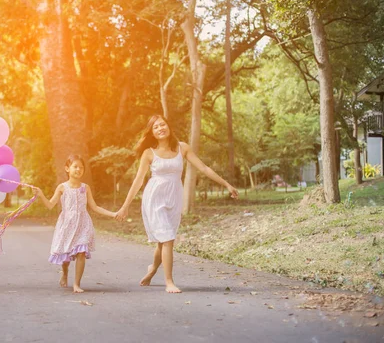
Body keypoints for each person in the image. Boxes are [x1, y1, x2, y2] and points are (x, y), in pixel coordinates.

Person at [115, 115, 238, 293]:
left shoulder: (183, 148)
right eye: (156, 127)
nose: (160, 128)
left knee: (163, 241)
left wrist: (226, 184)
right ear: (152, 133)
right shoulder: (149, 153)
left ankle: (153, 269)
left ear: (169, 126)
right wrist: (125, 206)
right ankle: (169, 282)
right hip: (155, 197)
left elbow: (203, 168)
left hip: (174, 197)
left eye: (162, 124)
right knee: (168, 239)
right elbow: (138, 180)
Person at [35, 155, 117, 293]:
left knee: (81, 252)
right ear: (67, 169)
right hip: (67, 224)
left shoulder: (86, 187)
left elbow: (95, 207)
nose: (78, 169)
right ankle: (65, 272)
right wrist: (41, 194)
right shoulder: (62, 188)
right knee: (66, 254)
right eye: (75, 166)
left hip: (83, 224)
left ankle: (77, 284)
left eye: (81, 167)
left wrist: (113, 214)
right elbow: (50, 205)